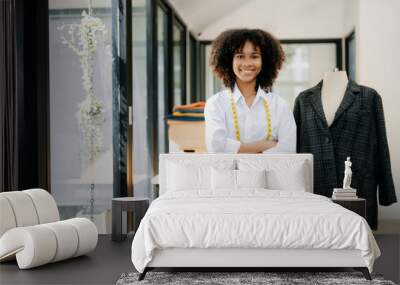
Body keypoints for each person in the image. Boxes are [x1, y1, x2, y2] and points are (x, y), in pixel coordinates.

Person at [204, 28, 296, 153]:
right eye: (240, 56)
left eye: (254, 56)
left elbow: (288, 150)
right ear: (229, 61)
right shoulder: (216, 104)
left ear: (265, 61)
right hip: (227, 173)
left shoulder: (280, 105)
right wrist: (265, 146)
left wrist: (234, 148)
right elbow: (216, 147)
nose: (247, 63)